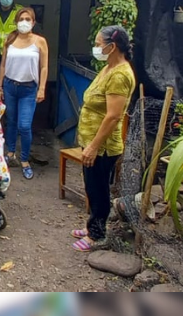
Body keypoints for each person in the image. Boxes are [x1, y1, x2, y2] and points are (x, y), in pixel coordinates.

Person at [71, 25, 136, 252]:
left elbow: (113, 116)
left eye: (99, 44)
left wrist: (94, 147)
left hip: (103, 146)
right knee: (91, 186)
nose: (96, 48)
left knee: (99, 190)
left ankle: (97, 235)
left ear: (112, 46)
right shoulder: (109, 67)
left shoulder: (120, 75)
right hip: (91, 142)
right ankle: (91, 227)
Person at [0, 7, 49, 180]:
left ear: (33, 22)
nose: (24, 22)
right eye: (21, 19)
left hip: (29, 88)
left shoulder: (40, 41)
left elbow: (44, 66)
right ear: (16, 22)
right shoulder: (10, 39)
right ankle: (11, 153)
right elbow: (3, 65)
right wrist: (0, 87)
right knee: (10, 121)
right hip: (10, 86)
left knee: (24, 125)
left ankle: (25, 160)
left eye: (28, 19)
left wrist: (42, 88)